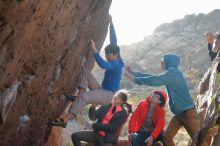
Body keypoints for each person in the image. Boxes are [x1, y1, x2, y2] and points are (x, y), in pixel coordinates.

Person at [49, 15, 124, 128]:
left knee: (84, 98)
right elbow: (114, 42)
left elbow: (103, 64)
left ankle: (64, 120)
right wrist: (111, 24)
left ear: (115, 55)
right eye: (106, 55)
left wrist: (95, 50)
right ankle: (79, 96)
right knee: (85, 72)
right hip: (102, 89)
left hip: (107, 95)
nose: (107, 57)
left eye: (108, 55)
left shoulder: (116, 64)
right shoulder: (117, 57)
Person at [124, 54, 200, 146]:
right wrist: (134, 73)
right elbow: (153, 76)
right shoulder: (170, 73)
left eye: (162, 61)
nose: (161, 63)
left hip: (188, 114)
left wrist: (135, 79)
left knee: (199, 141)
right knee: (166, 137)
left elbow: (154, 80)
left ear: (168, 62)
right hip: (179, 114)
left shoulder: (173, 72)